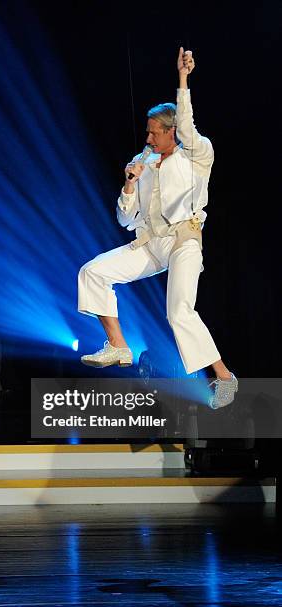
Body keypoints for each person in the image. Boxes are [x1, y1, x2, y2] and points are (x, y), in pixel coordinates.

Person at [78, 47, 238, 409]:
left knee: (179, 311)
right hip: (150, 246)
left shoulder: (198, 154)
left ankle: (224, 377)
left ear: (171, 132)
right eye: (147, 133)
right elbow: (125, 219)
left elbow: (187, 123)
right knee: (93, 272)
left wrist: (183, 80)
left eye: (153, 133)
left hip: (184, 241)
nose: (148, 139)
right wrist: (130, 185)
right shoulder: (142, 162)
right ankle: (118, 346)